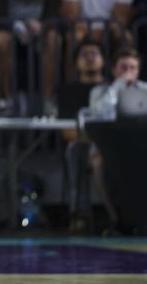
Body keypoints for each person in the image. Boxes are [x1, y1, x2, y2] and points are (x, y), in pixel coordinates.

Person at [87, 47, 147, 233]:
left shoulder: (145, 90)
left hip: (140, 144)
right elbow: (98, 114)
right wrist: (117, 87)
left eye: (133, 67)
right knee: (98, 163)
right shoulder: (100, 91)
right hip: (109, 146)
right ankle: (115, 218)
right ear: (114, 69)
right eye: (123, 67)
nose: (128, 72)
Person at [56, 39, 104, 232]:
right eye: (85, 54)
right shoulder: (67, 91)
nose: (90, 58)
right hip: (84, 142)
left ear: (103, 60)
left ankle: (119, 214)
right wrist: (96, 138)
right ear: (76, 62)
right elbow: (67, 131)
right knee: (75, 150)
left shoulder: (110, 90)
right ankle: (79, 213)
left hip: (111, 144)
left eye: (94, 54)